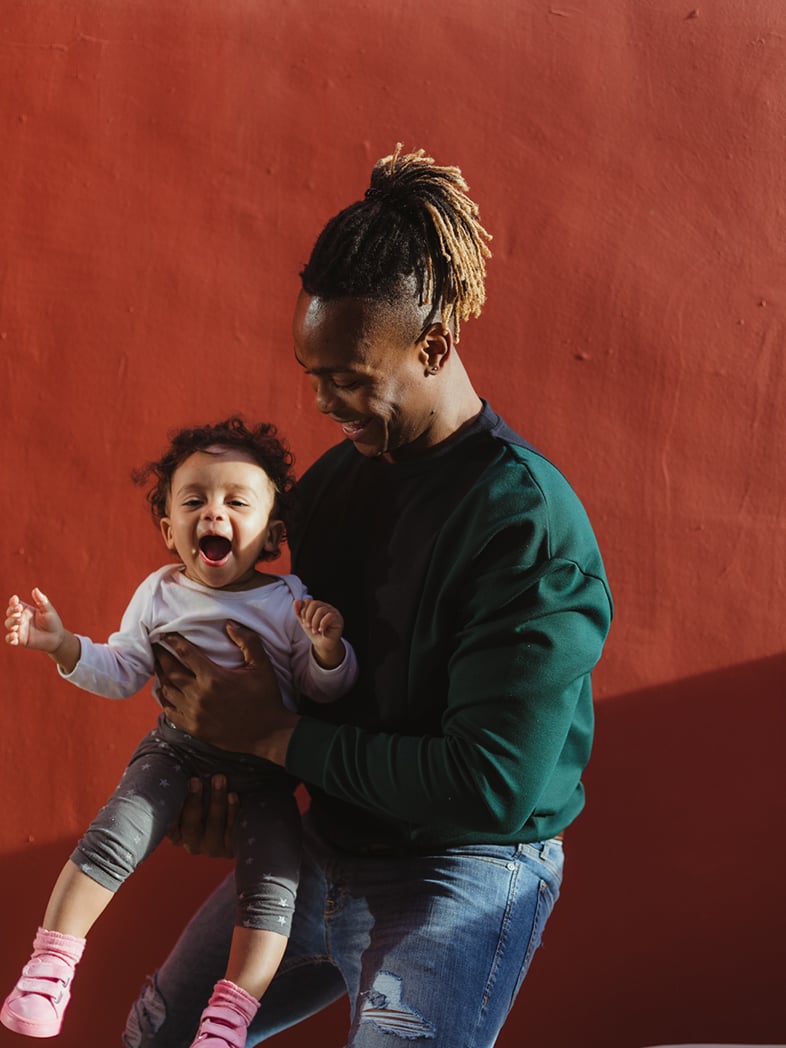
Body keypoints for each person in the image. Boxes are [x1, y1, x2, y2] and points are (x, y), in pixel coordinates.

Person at [125, 144, 613, 1048]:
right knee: (160, 1034)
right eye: (312, 373)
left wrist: (270, 737)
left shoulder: (525, 525)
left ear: (432, 344)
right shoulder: (334, 487)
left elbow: (491, 787)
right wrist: (224, 779)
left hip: (464, 866)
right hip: (331, 842)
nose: (321, 402)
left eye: (348, 377)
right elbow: (286, 677)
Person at [0, 417, 358, 1046]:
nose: (212, 513)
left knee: (274, 890)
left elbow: (319, 690)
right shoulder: (160, 594)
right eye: (193, 501)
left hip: (268, 771)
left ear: (273, 531)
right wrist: (61, 645)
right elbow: (122, 671)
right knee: (115, 833)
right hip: (174, 750)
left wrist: (328, 651)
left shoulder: (287, 602)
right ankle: (50, 965)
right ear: (169, 529)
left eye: (235, 502)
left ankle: (229, 1017)